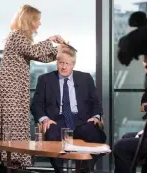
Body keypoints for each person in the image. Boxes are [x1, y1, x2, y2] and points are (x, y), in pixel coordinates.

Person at [0, 4, 68, 167]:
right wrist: (51, 40)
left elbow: (41, 56)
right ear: (30, 20)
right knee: (12, 122)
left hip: (16, 85)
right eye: (38, 20)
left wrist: (62, 49)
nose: (40, 23)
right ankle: (11, 160)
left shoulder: (21, 38)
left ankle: (15, 161)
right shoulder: (16, 35)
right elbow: (34, 51)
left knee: (18, 122)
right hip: (8, 85)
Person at [31, 45, 107, 173]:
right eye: (61, 63)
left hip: (81, 120)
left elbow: (96, 103)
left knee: (95, 134)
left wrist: (96, 117)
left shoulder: (85, 78)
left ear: (73, 64)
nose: (64, 67)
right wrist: (45, 119)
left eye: (67, 63)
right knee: (51, 134)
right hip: (56, 121)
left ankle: (86, 168)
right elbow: (36, 104)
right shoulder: (45, 79)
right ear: (57, 63)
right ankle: (59, 170)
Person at [113, 55, 147, 173]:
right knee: (126, 137)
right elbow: (146, 100)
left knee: (120, 147)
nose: (145, 65)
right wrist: (146, 105)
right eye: (143, 62)